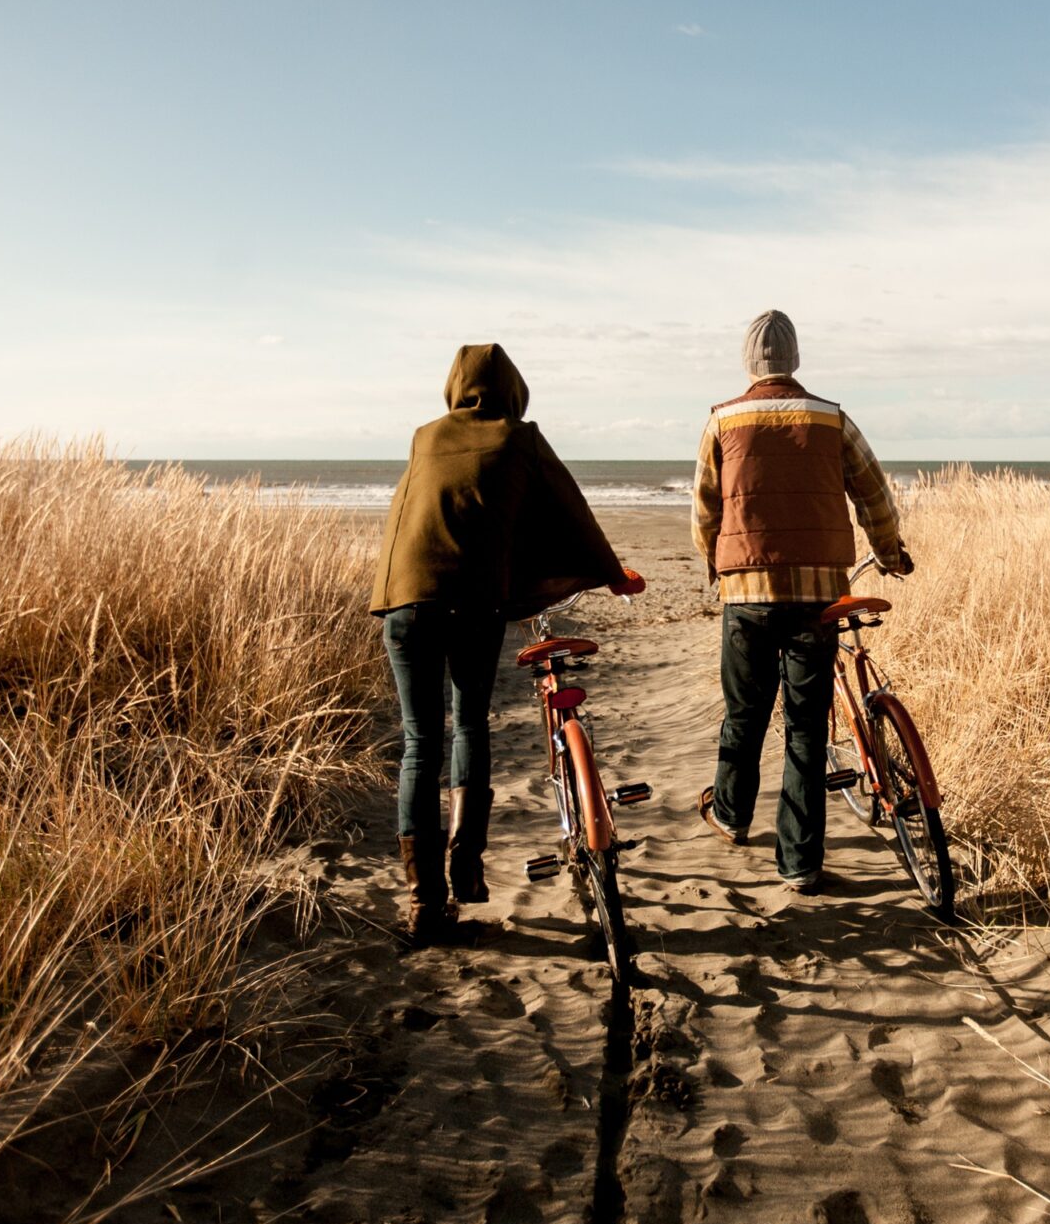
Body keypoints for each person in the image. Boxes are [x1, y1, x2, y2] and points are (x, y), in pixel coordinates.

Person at [371, 342, 641, 942]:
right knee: (467, 726)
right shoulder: (519, 437)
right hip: (469, 602)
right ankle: (465, 872)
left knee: (420, 742)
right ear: (513, 390)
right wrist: (613, 573)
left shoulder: (424, 437)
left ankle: (423, 906)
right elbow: (571, 508)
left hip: (402, 601)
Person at [691, 310, 912, 894]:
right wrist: (889, 553)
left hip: (745, 592)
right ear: (794, 360)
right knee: (806, 727)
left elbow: (704, 511)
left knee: (744, 713)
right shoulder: (832, 419)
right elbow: (874, 496)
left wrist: (717, 563)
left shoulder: (722, 420)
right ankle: (800, 864)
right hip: (816, 595)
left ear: (748, 363)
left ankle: (733, 817)